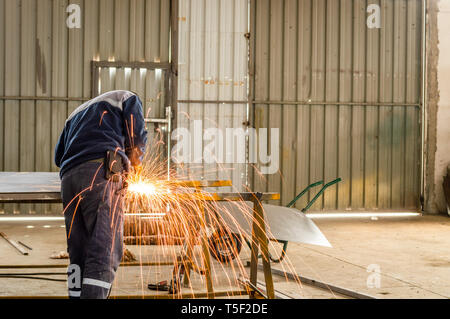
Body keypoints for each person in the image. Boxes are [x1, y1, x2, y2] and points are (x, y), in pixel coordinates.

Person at [54, 90, 147, 299]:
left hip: (69, 180)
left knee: (78, 252)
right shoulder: (127, 97)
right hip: (101, 173)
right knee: (104, 249)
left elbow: (58, 157)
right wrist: (136, 167)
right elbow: (136, 136)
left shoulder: (75, 115)